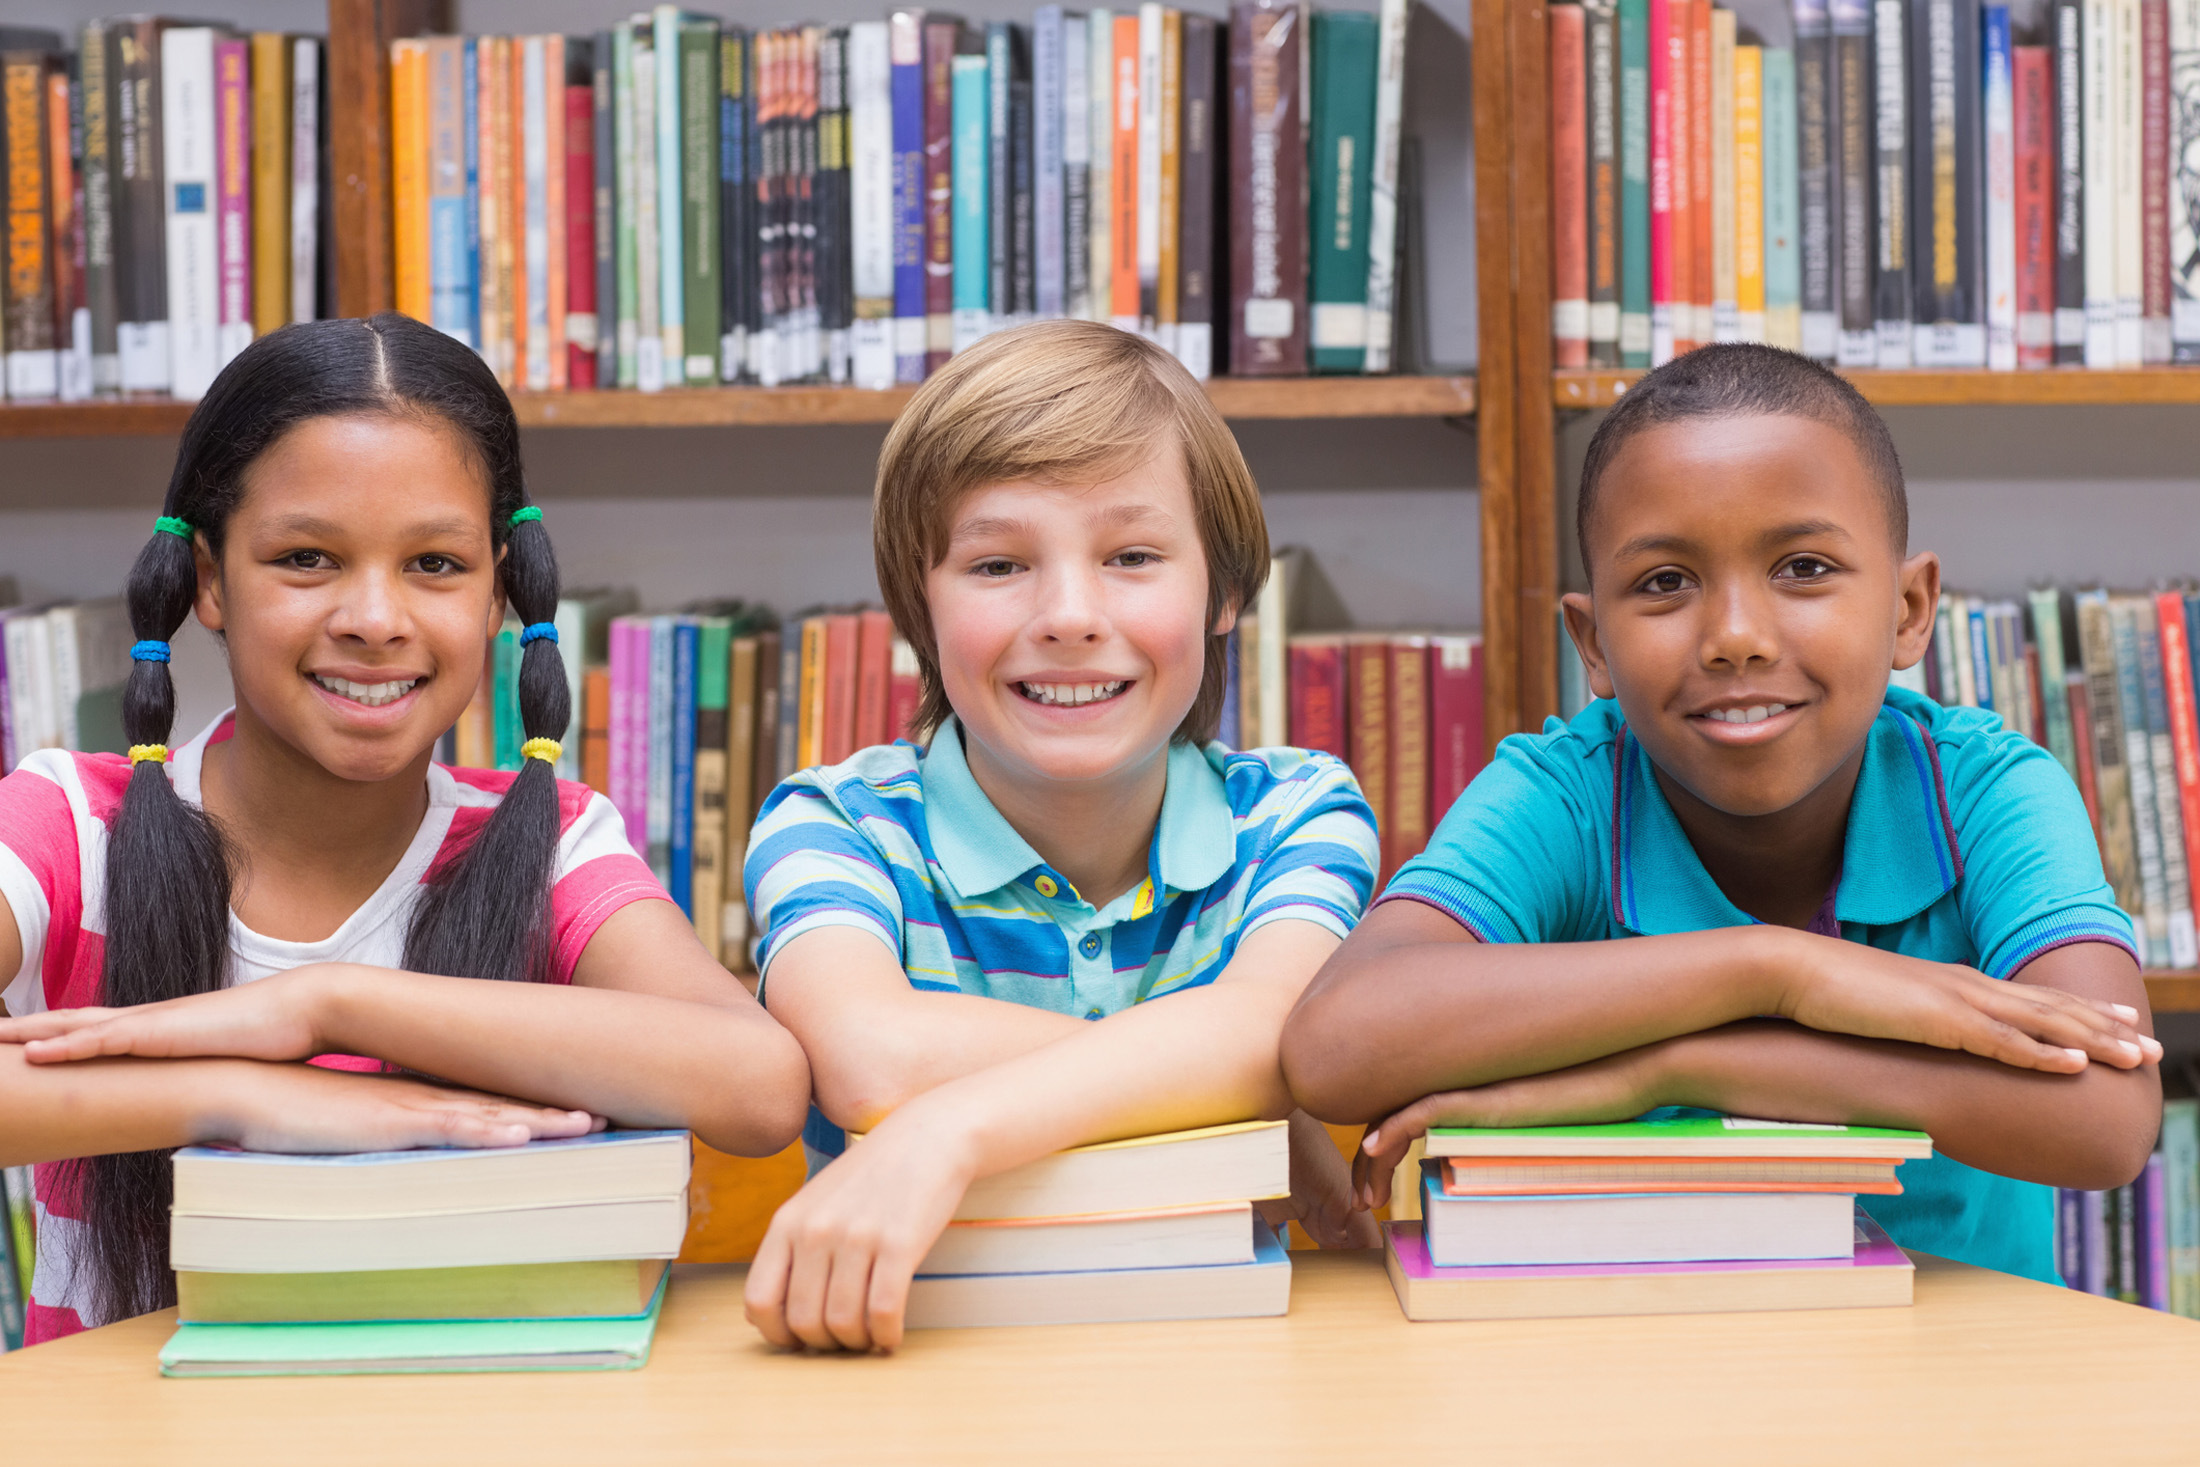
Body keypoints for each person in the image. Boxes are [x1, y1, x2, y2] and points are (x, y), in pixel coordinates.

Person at [0, 315, 809, 1343]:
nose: (376, 619)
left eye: (434, 564)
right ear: (208, 581)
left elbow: (757, 1085)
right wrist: (247, 1096)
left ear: (502, 597)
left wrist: (333, 1007)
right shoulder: (70, 825)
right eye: (306, 558)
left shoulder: (549, 842)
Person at [1282, 344, 2162, 1283]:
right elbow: (1337, 1045)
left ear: (1909, 609)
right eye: (1664, 582)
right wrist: (1775, 968)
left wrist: (1678, 1066)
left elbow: (2108, 1115)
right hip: (1648, 1369)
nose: (1736, 637)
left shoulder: (1983, 791)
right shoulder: (1571, 795)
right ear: (1593, 643)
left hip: (1952, 1378)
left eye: (1804, 566)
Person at [740, 320, 1382, 1352]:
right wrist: (1231, 1078)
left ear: (1221, 593)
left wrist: (952, 1126)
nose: (1070, 615)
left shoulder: (1296, 815)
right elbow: (871, 1057)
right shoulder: (834, 827)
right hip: (914, 1358)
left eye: (1132, 555)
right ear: (922, 602)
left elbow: (1277, 1034)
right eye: (998, 565)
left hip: (1218, 1356)